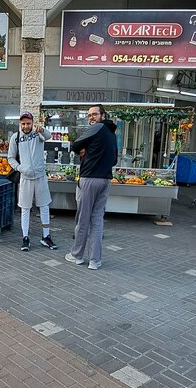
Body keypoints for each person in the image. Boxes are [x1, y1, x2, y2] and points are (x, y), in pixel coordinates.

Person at [66, 104, 118, 270]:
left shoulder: (97, 128)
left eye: (94, 114)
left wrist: (85, 151)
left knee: (83, 219)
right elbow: (114, 160)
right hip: (105, 181)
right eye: (89, 115)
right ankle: (95, 261)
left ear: (103, 115)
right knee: (97, 221)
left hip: (89, 179)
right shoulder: (111, 133)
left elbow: (75, 145)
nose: (91, 117)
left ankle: (77, 255)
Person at [8, 111, 57, 251]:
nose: (26, 126)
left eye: (28, 123)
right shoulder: (15, 137)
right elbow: (10, 158)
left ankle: (46, 236)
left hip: (40, 176)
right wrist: (20, 168)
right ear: (20, 124)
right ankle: (25, 238)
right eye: (23, 123)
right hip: (25, 178)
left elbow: (48, 136)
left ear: (32, 123)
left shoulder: (38, 133)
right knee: (25, 208)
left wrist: (42, 129)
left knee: (44, 206)